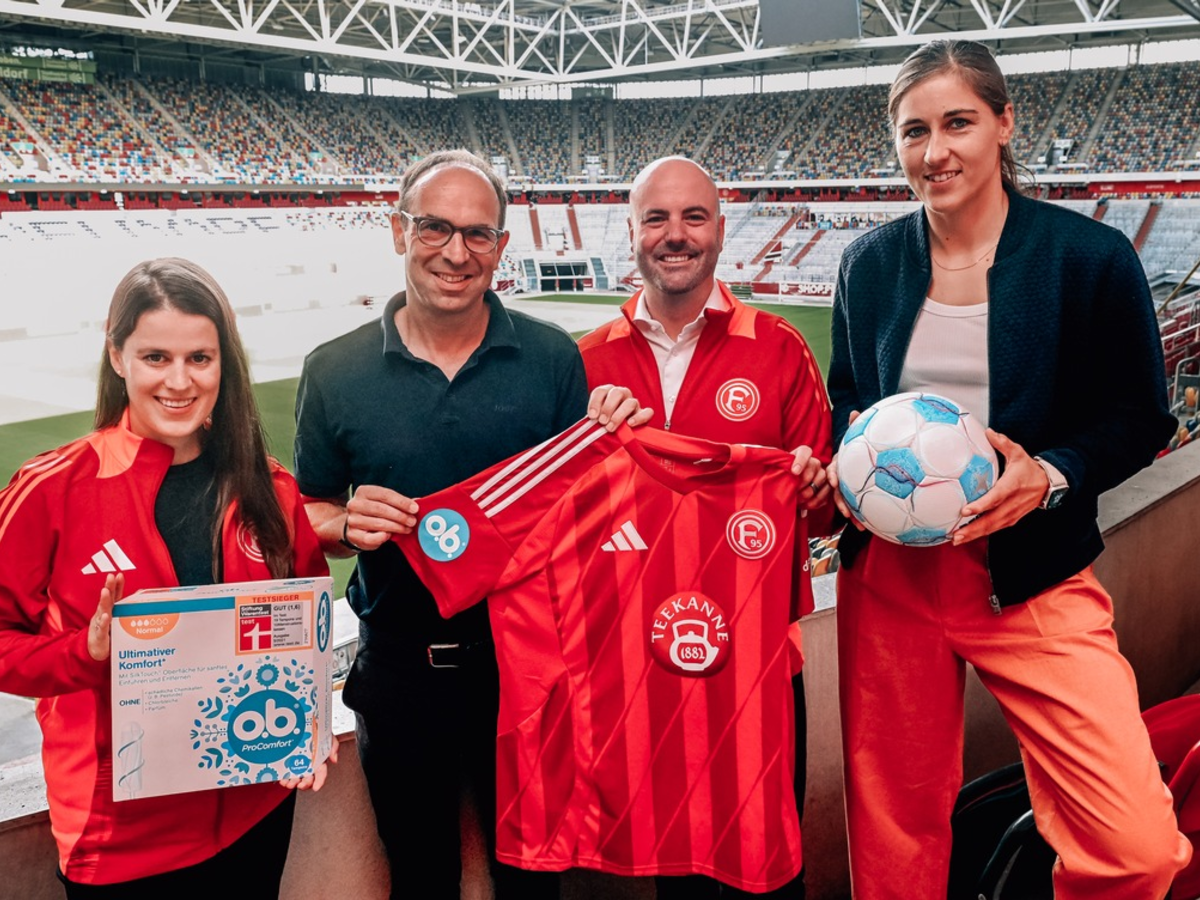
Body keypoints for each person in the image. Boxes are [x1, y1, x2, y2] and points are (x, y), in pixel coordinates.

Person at [826, 39, 1192, 899]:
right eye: (914, 131)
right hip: (890, 580)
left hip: (1031, 576)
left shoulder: (1089, 257)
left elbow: (1141, 416)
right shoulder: (868, 264)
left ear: (1004, 123)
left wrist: (1053, 473)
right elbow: (850, 402)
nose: (935, 151)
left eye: (957, 122)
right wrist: (839, 467)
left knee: (1135, 845)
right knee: (893, 843)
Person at [293, 148, 646, 900]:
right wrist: (345, 523)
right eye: (435, 228)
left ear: (502, 246)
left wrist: (608, 434)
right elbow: (309, 509)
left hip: (527, 671)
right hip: (398, 673)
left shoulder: (550, 358)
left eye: (478, 234)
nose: (456, 253)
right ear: (398, 230)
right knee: (420, 878)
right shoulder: (332, 370)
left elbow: (579, 508)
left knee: (533, 880)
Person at [0, 257, 332, 897]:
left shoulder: (269, 488)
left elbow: (302, 634)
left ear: (223, 364)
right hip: (123, 844)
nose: (179, 381)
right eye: (156, 357)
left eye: (199, 358)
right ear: (117, 356)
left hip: (258, 809)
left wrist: (309, 729)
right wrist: (83, 655)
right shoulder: (51, 490)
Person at [579, 156, 833, 898]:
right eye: (656, 218)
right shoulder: (584, 361)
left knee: (767, 865)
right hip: (639, 664)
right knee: (677, 867)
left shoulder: (779, 346)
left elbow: (824, 511)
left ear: (721, 229)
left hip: (759, 662)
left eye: (693, 217)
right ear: (631, 232)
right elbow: (563, 514)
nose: (675, 235)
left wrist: (816, 487)